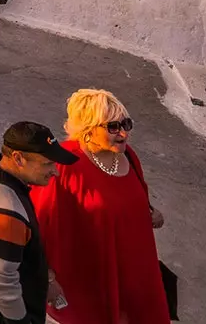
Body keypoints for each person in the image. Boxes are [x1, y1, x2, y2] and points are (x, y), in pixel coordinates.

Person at [30, 89, 171, 324]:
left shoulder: (128, 156)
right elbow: (40, 221)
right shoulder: (64, 163)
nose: (124, 133)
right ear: (88, 130)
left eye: (126, 124)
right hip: (88, 278)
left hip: (134, 273)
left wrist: (150, 211)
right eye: (113, 127)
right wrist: (48, 279)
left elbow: (131, 197)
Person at [0, 122, 76, 324]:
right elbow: (3, 284)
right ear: (18, 158)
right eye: (47, 164)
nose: (55, 172)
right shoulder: (6, 213)